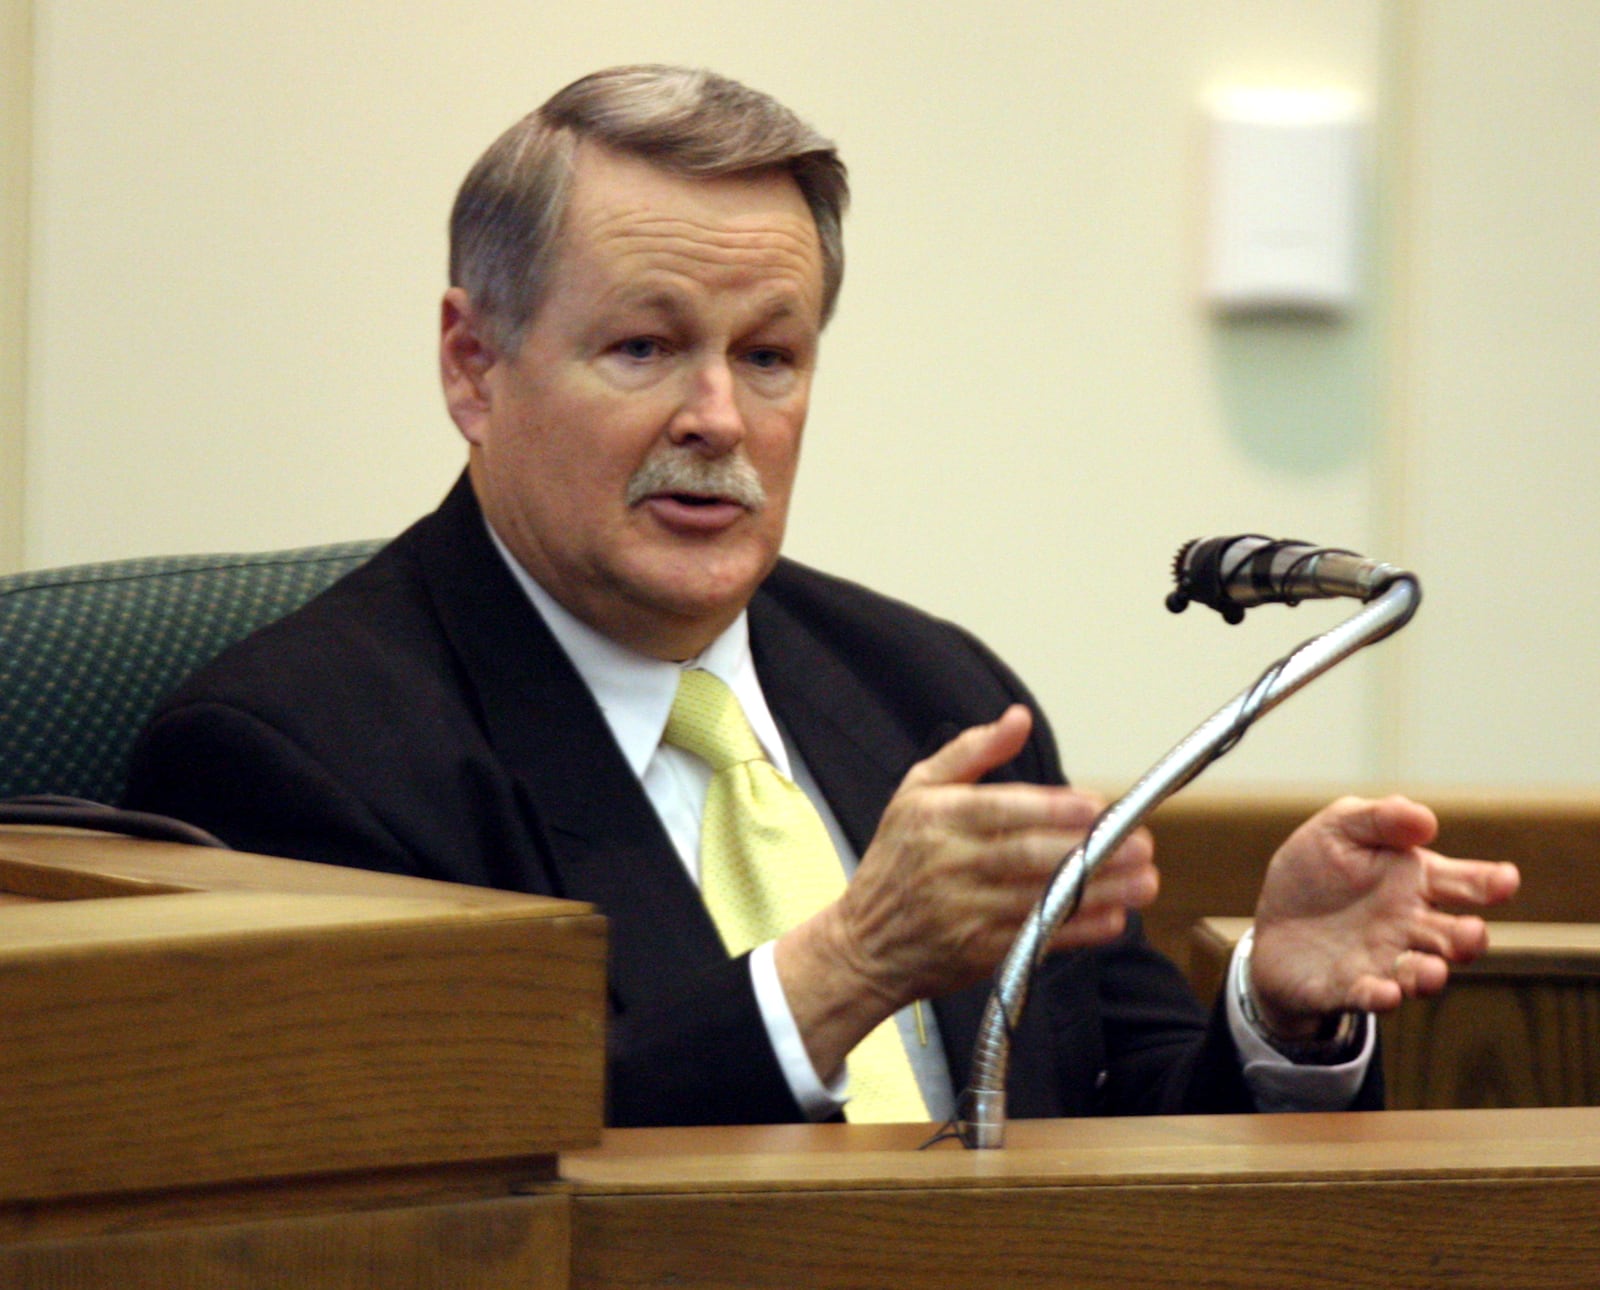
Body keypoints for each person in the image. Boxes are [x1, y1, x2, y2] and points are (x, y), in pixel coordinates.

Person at [123, 65, 1519, 1129]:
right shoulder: (293, 760)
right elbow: (440, 1178)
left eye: (772, 356)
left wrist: (1275, 1007)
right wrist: (842, 967)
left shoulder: (941, 694)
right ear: (473, 365)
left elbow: (1101, 1124)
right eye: (644, 346)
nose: (720, 417)